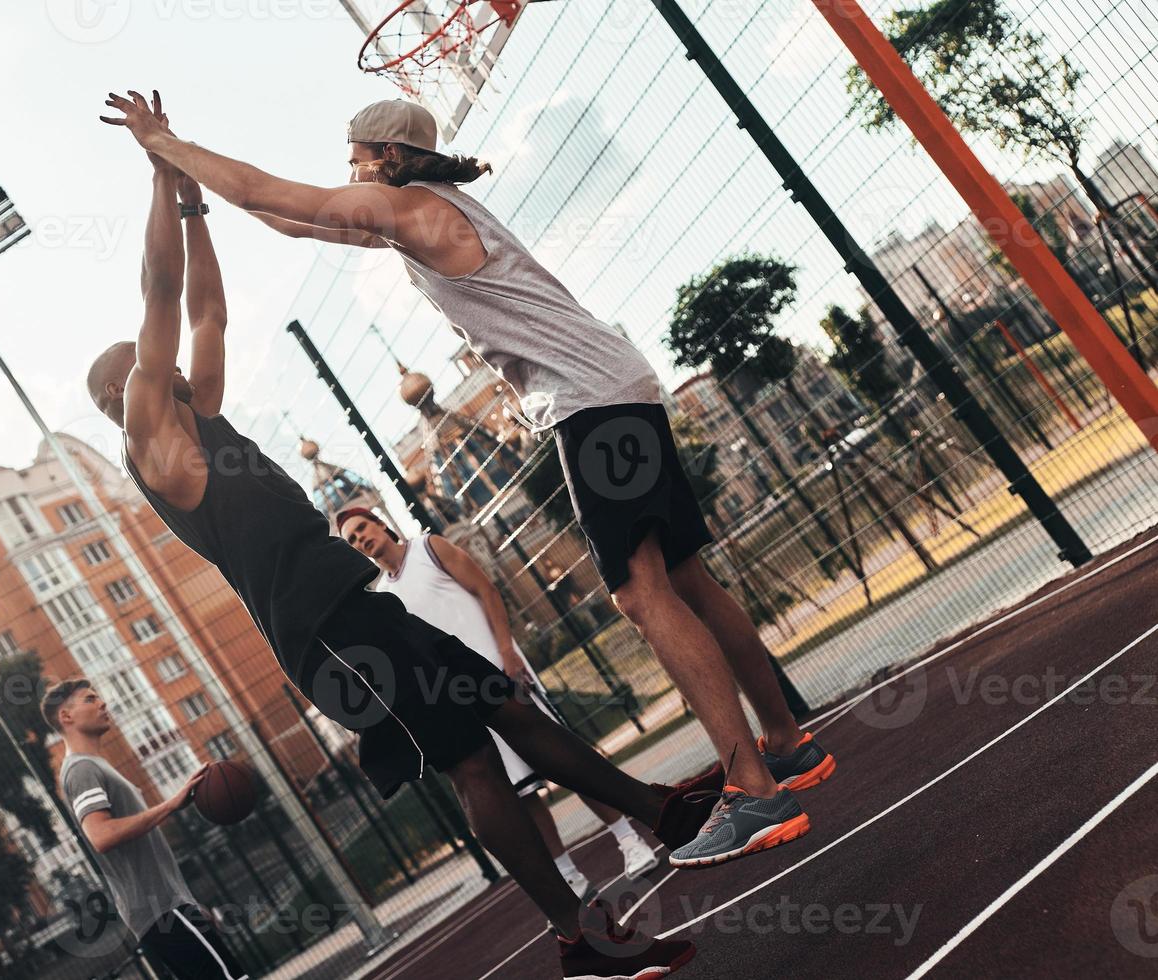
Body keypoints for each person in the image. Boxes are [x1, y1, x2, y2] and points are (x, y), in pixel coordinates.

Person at [97, 91, 834, 868]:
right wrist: (189, 197)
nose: (347, 173)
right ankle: (785, 742)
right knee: (686, 579)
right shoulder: (418, 215)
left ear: (383, 158)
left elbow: (269, 198)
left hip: (590, 401)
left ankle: (753, 788)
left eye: (353, 157)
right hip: (617, 388)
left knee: (640, 593)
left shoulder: (413, 209)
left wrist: (163, 146)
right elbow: (283, 218)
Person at [337, 507, 660, 891]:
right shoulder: (384, 596)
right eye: (353, 540)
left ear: (379, 524)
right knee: (522, 790)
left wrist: (506, 651)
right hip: (464, 696)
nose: (361, 539)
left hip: (500, 670)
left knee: (566, 760)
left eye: (362, 529)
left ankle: (629, 839)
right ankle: (568, 874)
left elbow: (485, 590)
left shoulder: (429, 548)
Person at [43, 678, 247, 980]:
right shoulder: (81, 770)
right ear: (66, 717)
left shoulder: (96, 765)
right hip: (162, 912)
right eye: (90, 699)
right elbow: (101, 836)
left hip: (167, 909)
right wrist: (169, 805)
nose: (102, 703)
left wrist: (186, 902)